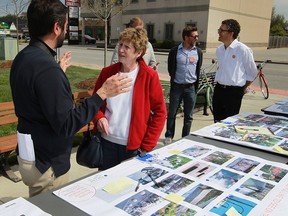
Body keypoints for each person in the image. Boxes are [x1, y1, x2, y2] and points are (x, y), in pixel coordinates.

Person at [10, 0, 132, 197]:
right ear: (56, 28)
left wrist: (56, 73)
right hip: (46, 164)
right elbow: (67, 124)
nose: (66, 30)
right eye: (66, 26)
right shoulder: (46, 69)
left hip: (29, 154)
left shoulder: (24, 58)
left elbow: (36, 96)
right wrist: (102, 94)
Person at [93, 27, 166, 170]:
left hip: (133, 148)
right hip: (106, 144)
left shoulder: (149, 76)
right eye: (120, 45)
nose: (120, 50)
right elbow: (94, 103)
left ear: (138, 53)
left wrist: (147, 146)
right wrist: (99, 118)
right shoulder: (107, 73)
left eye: (127, 47)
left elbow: (160, 112)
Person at [213, 19, 258, 122]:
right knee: (217, 122)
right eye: (219, 29)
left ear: (231, 33)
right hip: (219, 90)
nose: (219, 32)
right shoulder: (219, 49)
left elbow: (252, 73)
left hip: (234, 93)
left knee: (230, 123)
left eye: (221, 30)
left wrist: (242, 88)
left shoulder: (243, 50)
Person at [164, 26, 203, 144]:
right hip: (177, 87)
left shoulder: (198, 52)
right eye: (194, 36)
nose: (196, 38)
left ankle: (185, 137)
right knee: (172, 113)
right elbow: (171, 68)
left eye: (197, 36)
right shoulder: (175, 51)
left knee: (189, 116)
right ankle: (169, 135)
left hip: (191, 88)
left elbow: (198, 68)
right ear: (186, 37)